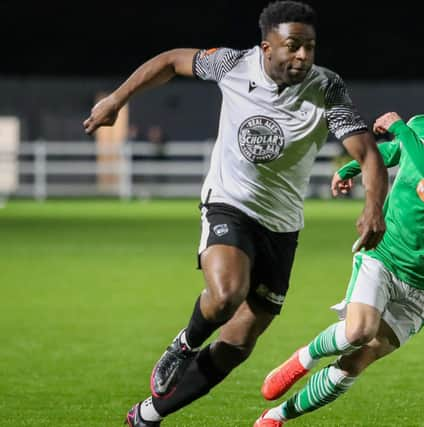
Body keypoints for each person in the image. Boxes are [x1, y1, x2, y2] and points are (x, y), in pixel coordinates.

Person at [82, 1, 388, 425]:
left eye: (310, 48)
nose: (303, 56)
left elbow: (366, 152)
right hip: (230, 203)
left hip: (281, 227)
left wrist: (374, 208)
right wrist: (116, 100)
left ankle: (148, 415)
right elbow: (172, 60)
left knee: (239, 342)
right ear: (266, 47)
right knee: (226, 294)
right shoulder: (232, 64)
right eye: (293, 46)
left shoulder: (326, 87)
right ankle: (185, 343)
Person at [254, 65, 424, 426]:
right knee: (358, 331)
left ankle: (277, 416)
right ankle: (304, 359)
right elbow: (392, 153)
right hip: (384, 255)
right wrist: (351, 168)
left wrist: (400, 129)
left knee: (358, 359)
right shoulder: (421, 127)